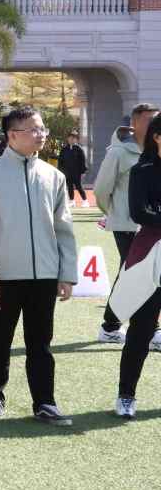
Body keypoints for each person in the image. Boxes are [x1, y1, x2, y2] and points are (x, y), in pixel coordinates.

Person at [0, 107, 77, 426]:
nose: (41, 134)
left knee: (41, 343)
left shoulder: (54, 176)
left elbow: (64, 228)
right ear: (12, 135)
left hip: (44, 275)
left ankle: (45, 402)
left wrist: (67, 274)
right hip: (2, 275)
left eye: (42, 128)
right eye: (34, 129)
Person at [96, 104, 159, 343]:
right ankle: (143, 330)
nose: (154, 124)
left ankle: (111, 326)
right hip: (128, 225)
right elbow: (101, 189)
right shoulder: (118, 152)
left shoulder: (154, 151)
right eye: (149, 120)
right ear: (134, 123)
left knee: (138, 274)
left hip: (152, 227)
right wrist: (114, 214)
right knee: (138, 275)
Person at [114, 115, 161, 418]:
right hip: (150, 255)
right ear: (157, 137)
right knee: (142, 328)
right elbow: (138, 213)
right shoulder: (142, 170)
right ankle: (126, 395)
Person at [58, 132, 89, 208]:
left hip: (77, 172)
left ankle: (85, 201)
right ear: (67, 139)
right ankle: (72, 201)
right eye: (70, 138)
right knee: (69, 186)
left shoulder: (79, 149)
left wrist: (83, 171)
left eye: (73, 138)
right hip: (67, 172)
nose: (71, 139)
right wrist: (60, 170)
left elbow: (83, 160)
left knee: (79, 186)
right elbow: (60, 160)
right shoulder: (64, 149)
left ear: (76, 139)